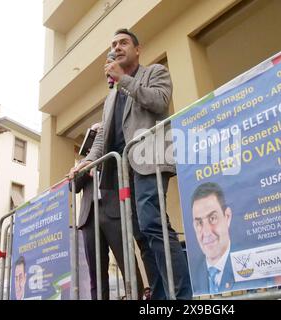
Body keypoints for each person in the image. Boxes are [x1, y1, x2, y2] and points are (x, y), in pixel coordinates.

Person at [69, 28, 191, 300]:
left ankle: (182, 296)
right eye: (113, 44)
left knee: (152, 224)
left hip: (149, 161)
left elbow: (159, 102)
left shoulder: (154, 73)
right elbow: (102, 137)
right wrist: (86, 163)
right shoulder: (111, 96)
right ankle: (159, 297)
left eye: (123, 42)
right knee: (141, 236)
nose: (117, 47)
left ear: (138, 49)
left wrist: (123, 79)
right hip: (123, 173)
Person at [70, 123, 151, 300]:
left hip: (114, 212)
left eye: (100, 132)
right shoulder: (82, 162)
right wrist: (83, 167)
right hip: (89, 218)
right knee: (96, 275)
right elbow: (73, 187)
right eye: (93, 133)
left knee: (128, 265)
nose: (96, 135)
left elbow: (126, 171)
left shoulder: (114, 153)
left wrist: (101, 162)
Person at [190, 182, 273, 295]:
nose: (207, 232)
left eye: (213, 218)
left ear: (227, 217)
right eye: (199, 222)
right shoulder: (192, 274)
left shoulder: (252, 262)